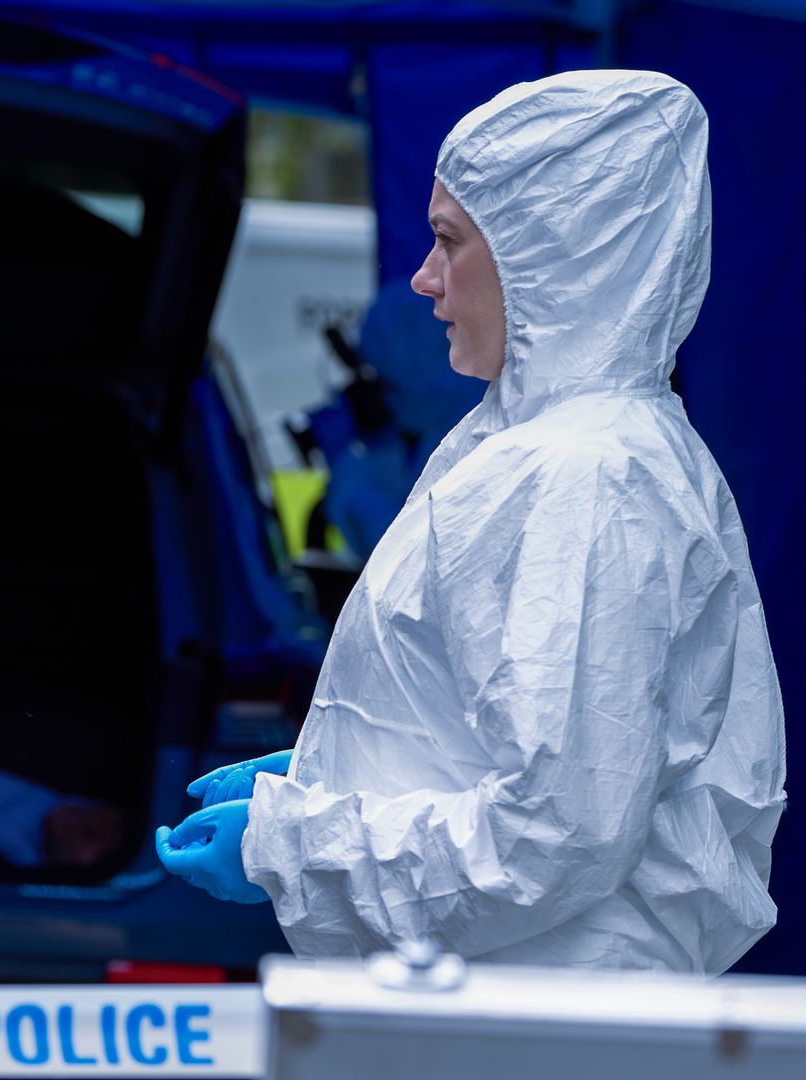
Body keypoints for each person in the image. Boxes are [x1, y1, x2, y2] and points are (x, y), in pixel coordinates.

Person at [157, 70, 785, 974]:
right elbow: (492, 731)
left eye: (449, 241)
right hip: (492, 995)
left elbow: (552, 834)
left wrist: (295, 846)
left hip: (541, 1010)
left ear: (553, 255)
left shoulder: (587, 480)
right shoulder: (538, 446)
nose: (421, 279)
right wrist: (315, 781)